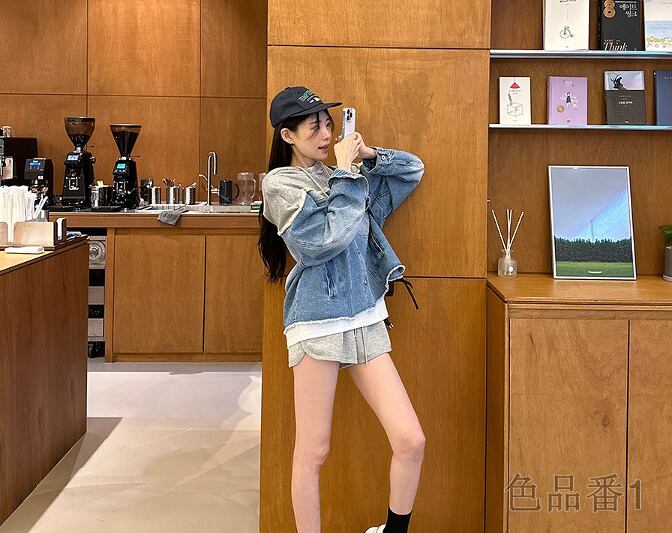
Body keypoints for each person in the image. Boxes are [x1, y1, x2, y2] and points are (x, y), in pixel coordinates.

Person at [258, 86, 426, 533]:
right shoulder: (280, 184)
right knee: (313, 452)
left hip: (365, 316)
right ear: (288, 135)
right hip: (317, 322)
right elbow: (320, 243)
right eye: (313, 126)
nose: (326, 133)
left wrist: (368, 157)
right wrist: (349, 174)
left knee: (411, 439)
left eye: (329, 124)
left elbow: (413, 170)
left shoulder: (346, 175)